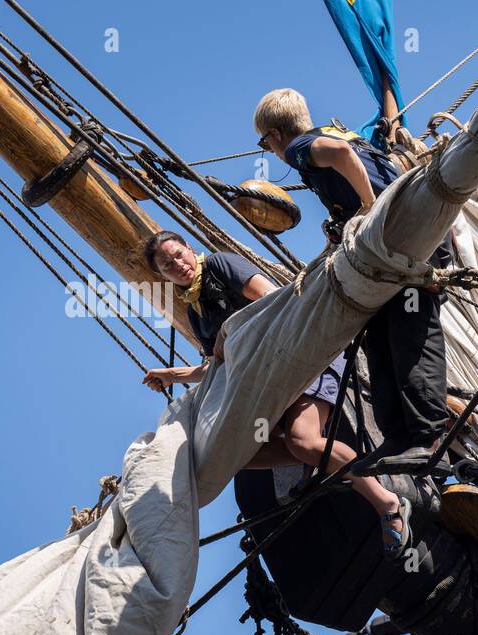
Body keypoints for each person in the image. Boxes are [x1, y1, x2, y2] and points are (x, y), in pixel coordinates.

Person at [141, 231, 412, 557]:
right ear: (162, 276)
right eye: (167, 265)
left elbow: (275, 299)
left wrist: (232, 336)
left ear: (189, 248)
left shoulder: (220, 265)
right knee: (238, 454)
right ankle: (323, 463)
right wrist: (174, 376)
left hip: (301, 356)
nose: (178, 265)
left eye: (178, 254)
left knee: (303, 441)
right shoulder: (195, 314)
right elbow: (218, 367)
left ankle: (388, 503)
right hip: (267, 385)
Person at [252, 87, 450, 477]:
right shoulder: (345, 135)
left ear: (275, 134)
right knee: (379, 341)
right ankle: (396, 439)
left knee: (410, 338)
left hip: (402, 245)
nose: (270, 150)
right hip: (395, 246)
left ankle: (428, 441)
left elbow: (341, 158)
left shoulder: (300, 147)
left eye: (264, 142)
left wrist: (367, 206)